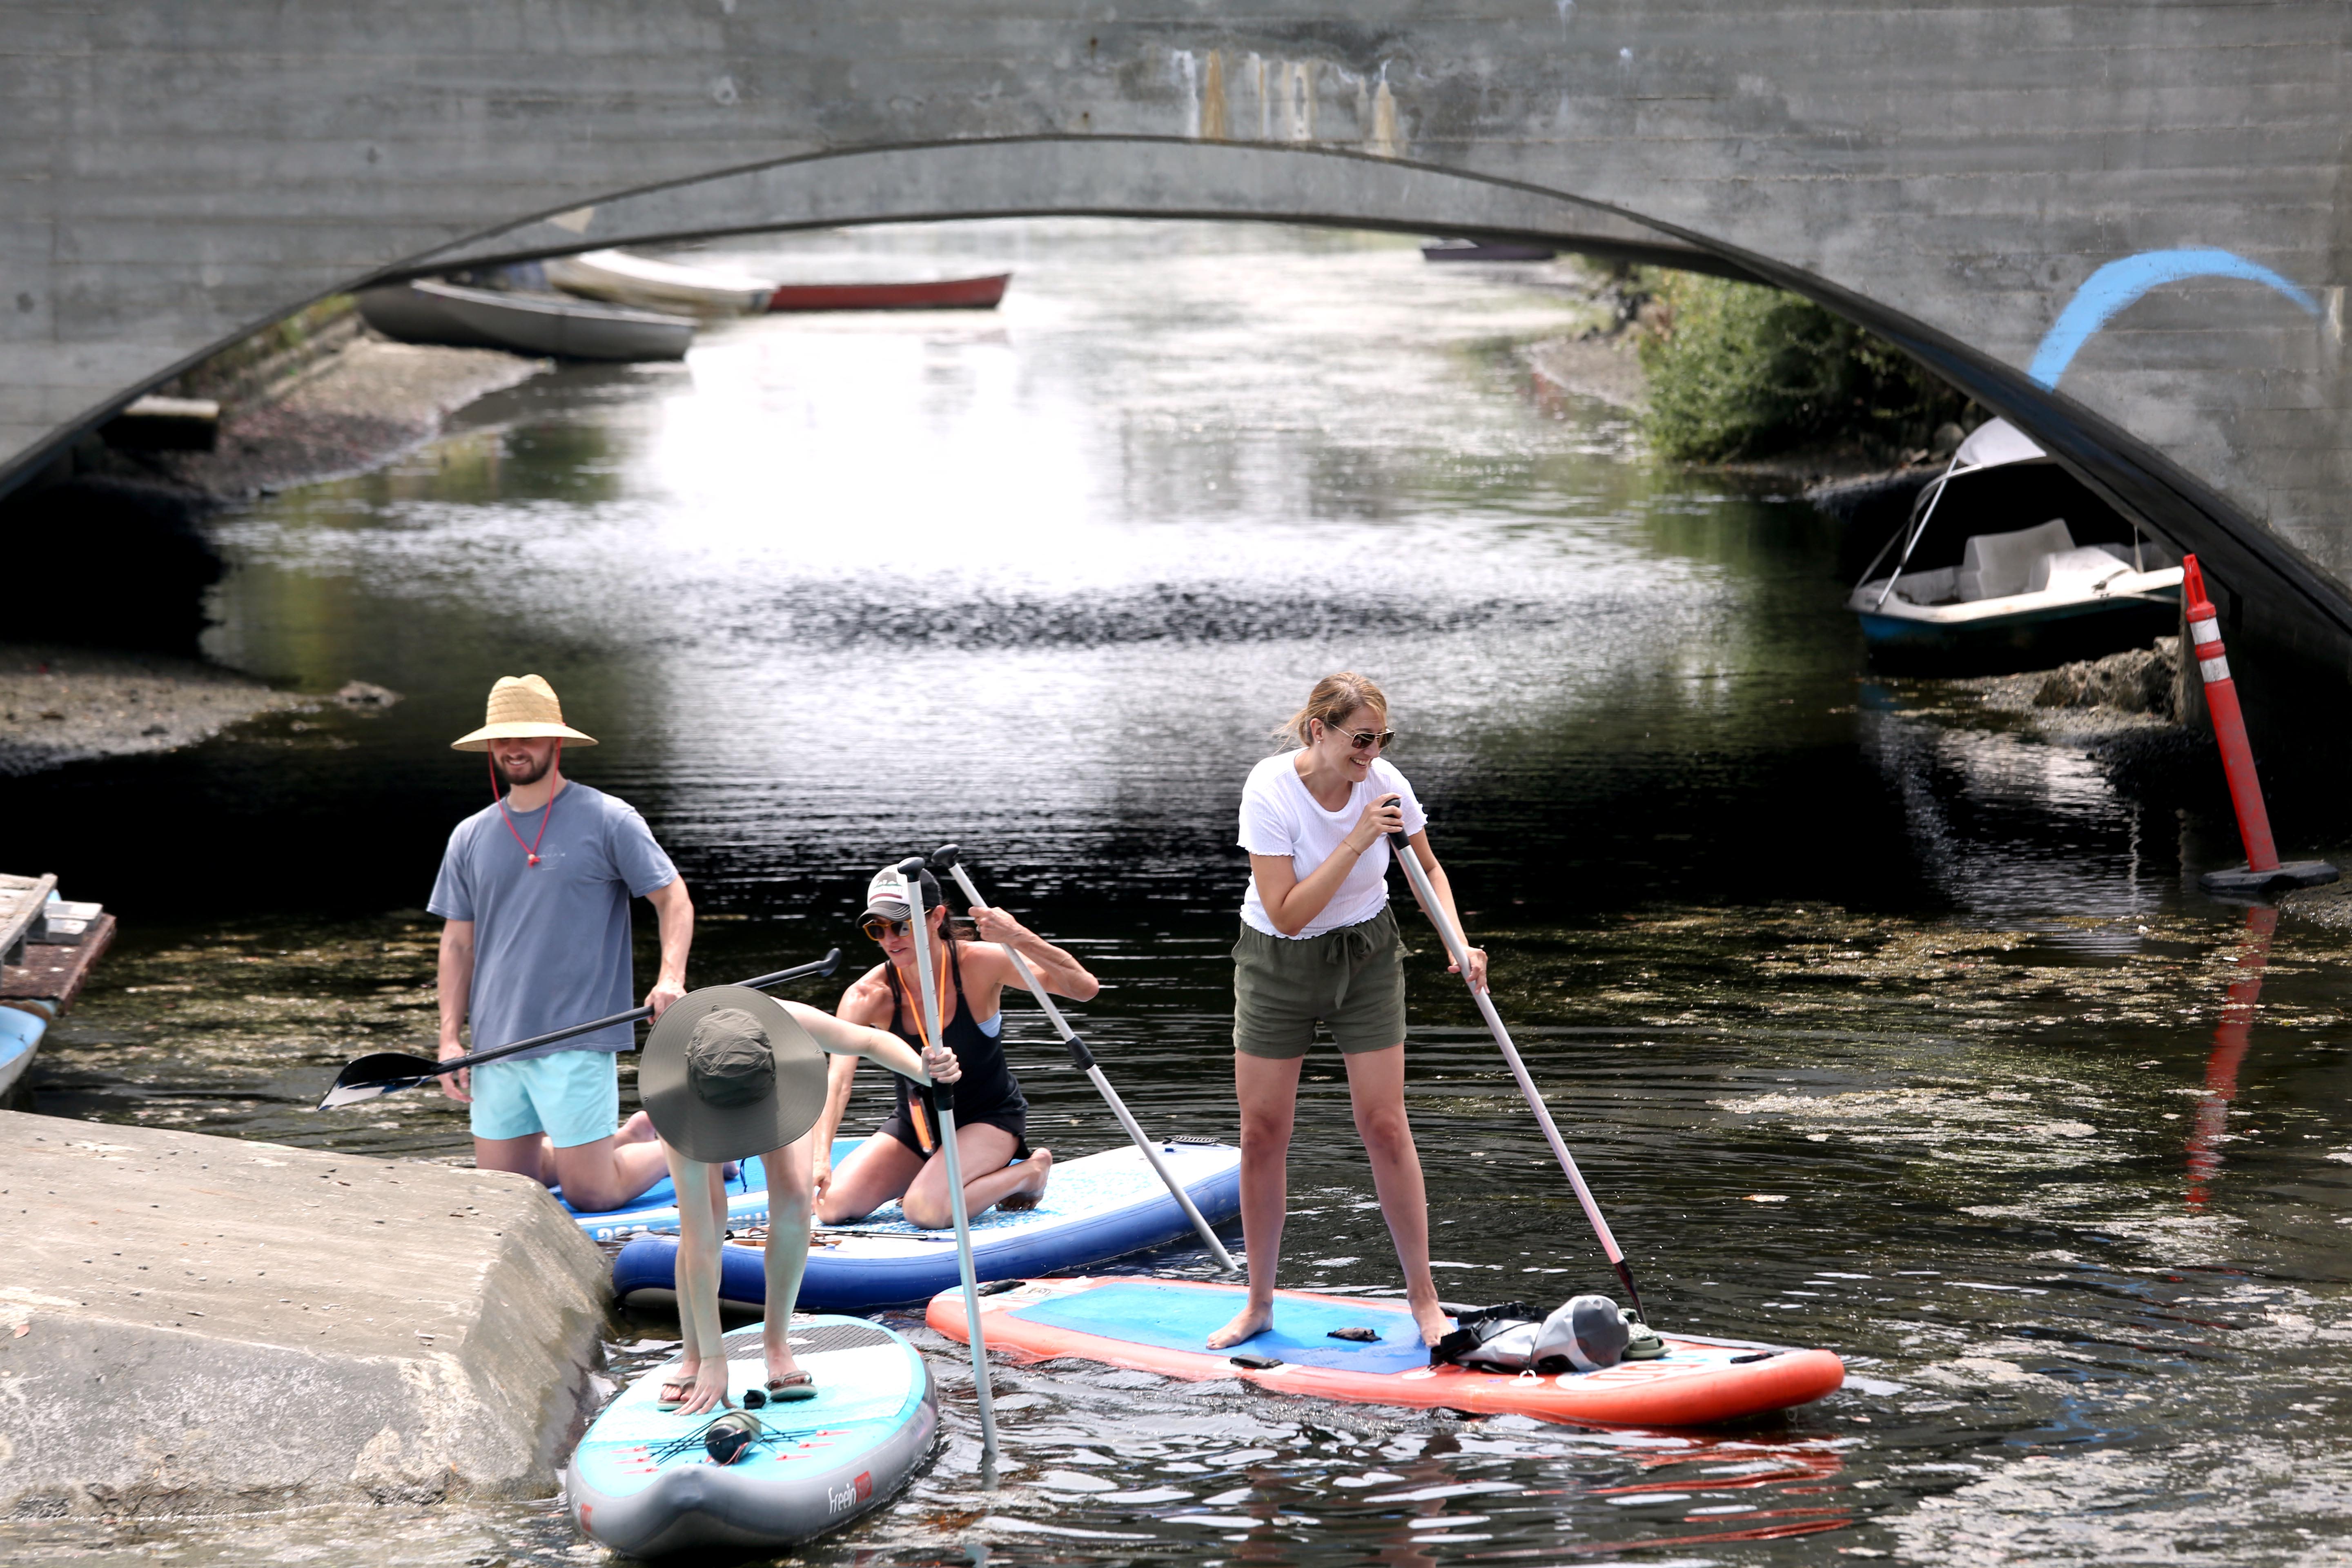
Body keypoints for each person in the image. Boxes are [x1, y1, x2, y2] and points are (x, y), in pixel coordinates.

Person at [1208, 670, 1488, 1350]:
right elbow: (1288, 911)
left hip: (1366, 956)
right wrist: (1359, 839)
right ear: (1318, 731)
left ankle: (1425, 1302)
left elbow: (1427, 867)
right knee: (1263, 1132)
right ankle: (1259, 1304)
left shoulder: (1386, 783)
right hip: (1278, 960)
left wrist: (1458, 937)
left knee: (1385, 1124)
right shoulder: (1270, 790)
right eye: (1361, 739)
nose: (1373, 752)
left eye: (1381, 739)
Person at [430, 673, 691, 1214]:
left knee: (590, 1193)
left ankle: (688, 1147)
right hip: (498, 1045)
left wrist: (671, 978)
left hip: (578, 1037)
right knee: (509, 1192)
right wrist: (450, 1041)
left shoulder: (609, 819)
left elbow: (674, 900)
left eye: (526, 736)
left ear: (557, 740)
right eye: (502, 738)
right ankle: (622, 1141)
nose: (513, 748)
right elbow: (458, 945)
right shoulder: (470, 836)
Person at [639, 982, 953, 1417]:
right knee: (705, 1221)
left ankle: (777, 1345)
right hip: (698, 1098)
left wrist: (927, 1071)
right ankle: (694, 1356)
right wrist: (715, 1357)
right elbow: (697, 1239)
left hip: (770, 1084)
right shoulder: (673, 1088)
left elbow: (869, 1040)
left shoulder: (784, 1025)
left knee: (794, 1198)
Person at [811, 864, 1100, 1230]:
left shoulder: (980, 963)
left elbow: (1084, 988)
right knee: (831, 1206)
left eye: (903, 924)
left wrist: (1018, 936)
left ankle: (1030, 1172)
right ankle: (933, 1173)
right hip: (917, 1127)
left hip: (989, 1120)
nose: (891, 938)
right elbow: (837, 1082)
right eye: (877, 929)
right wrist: (820, 1156)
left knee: (924, 1212)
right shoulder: (868, 995)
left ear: (937, 918)